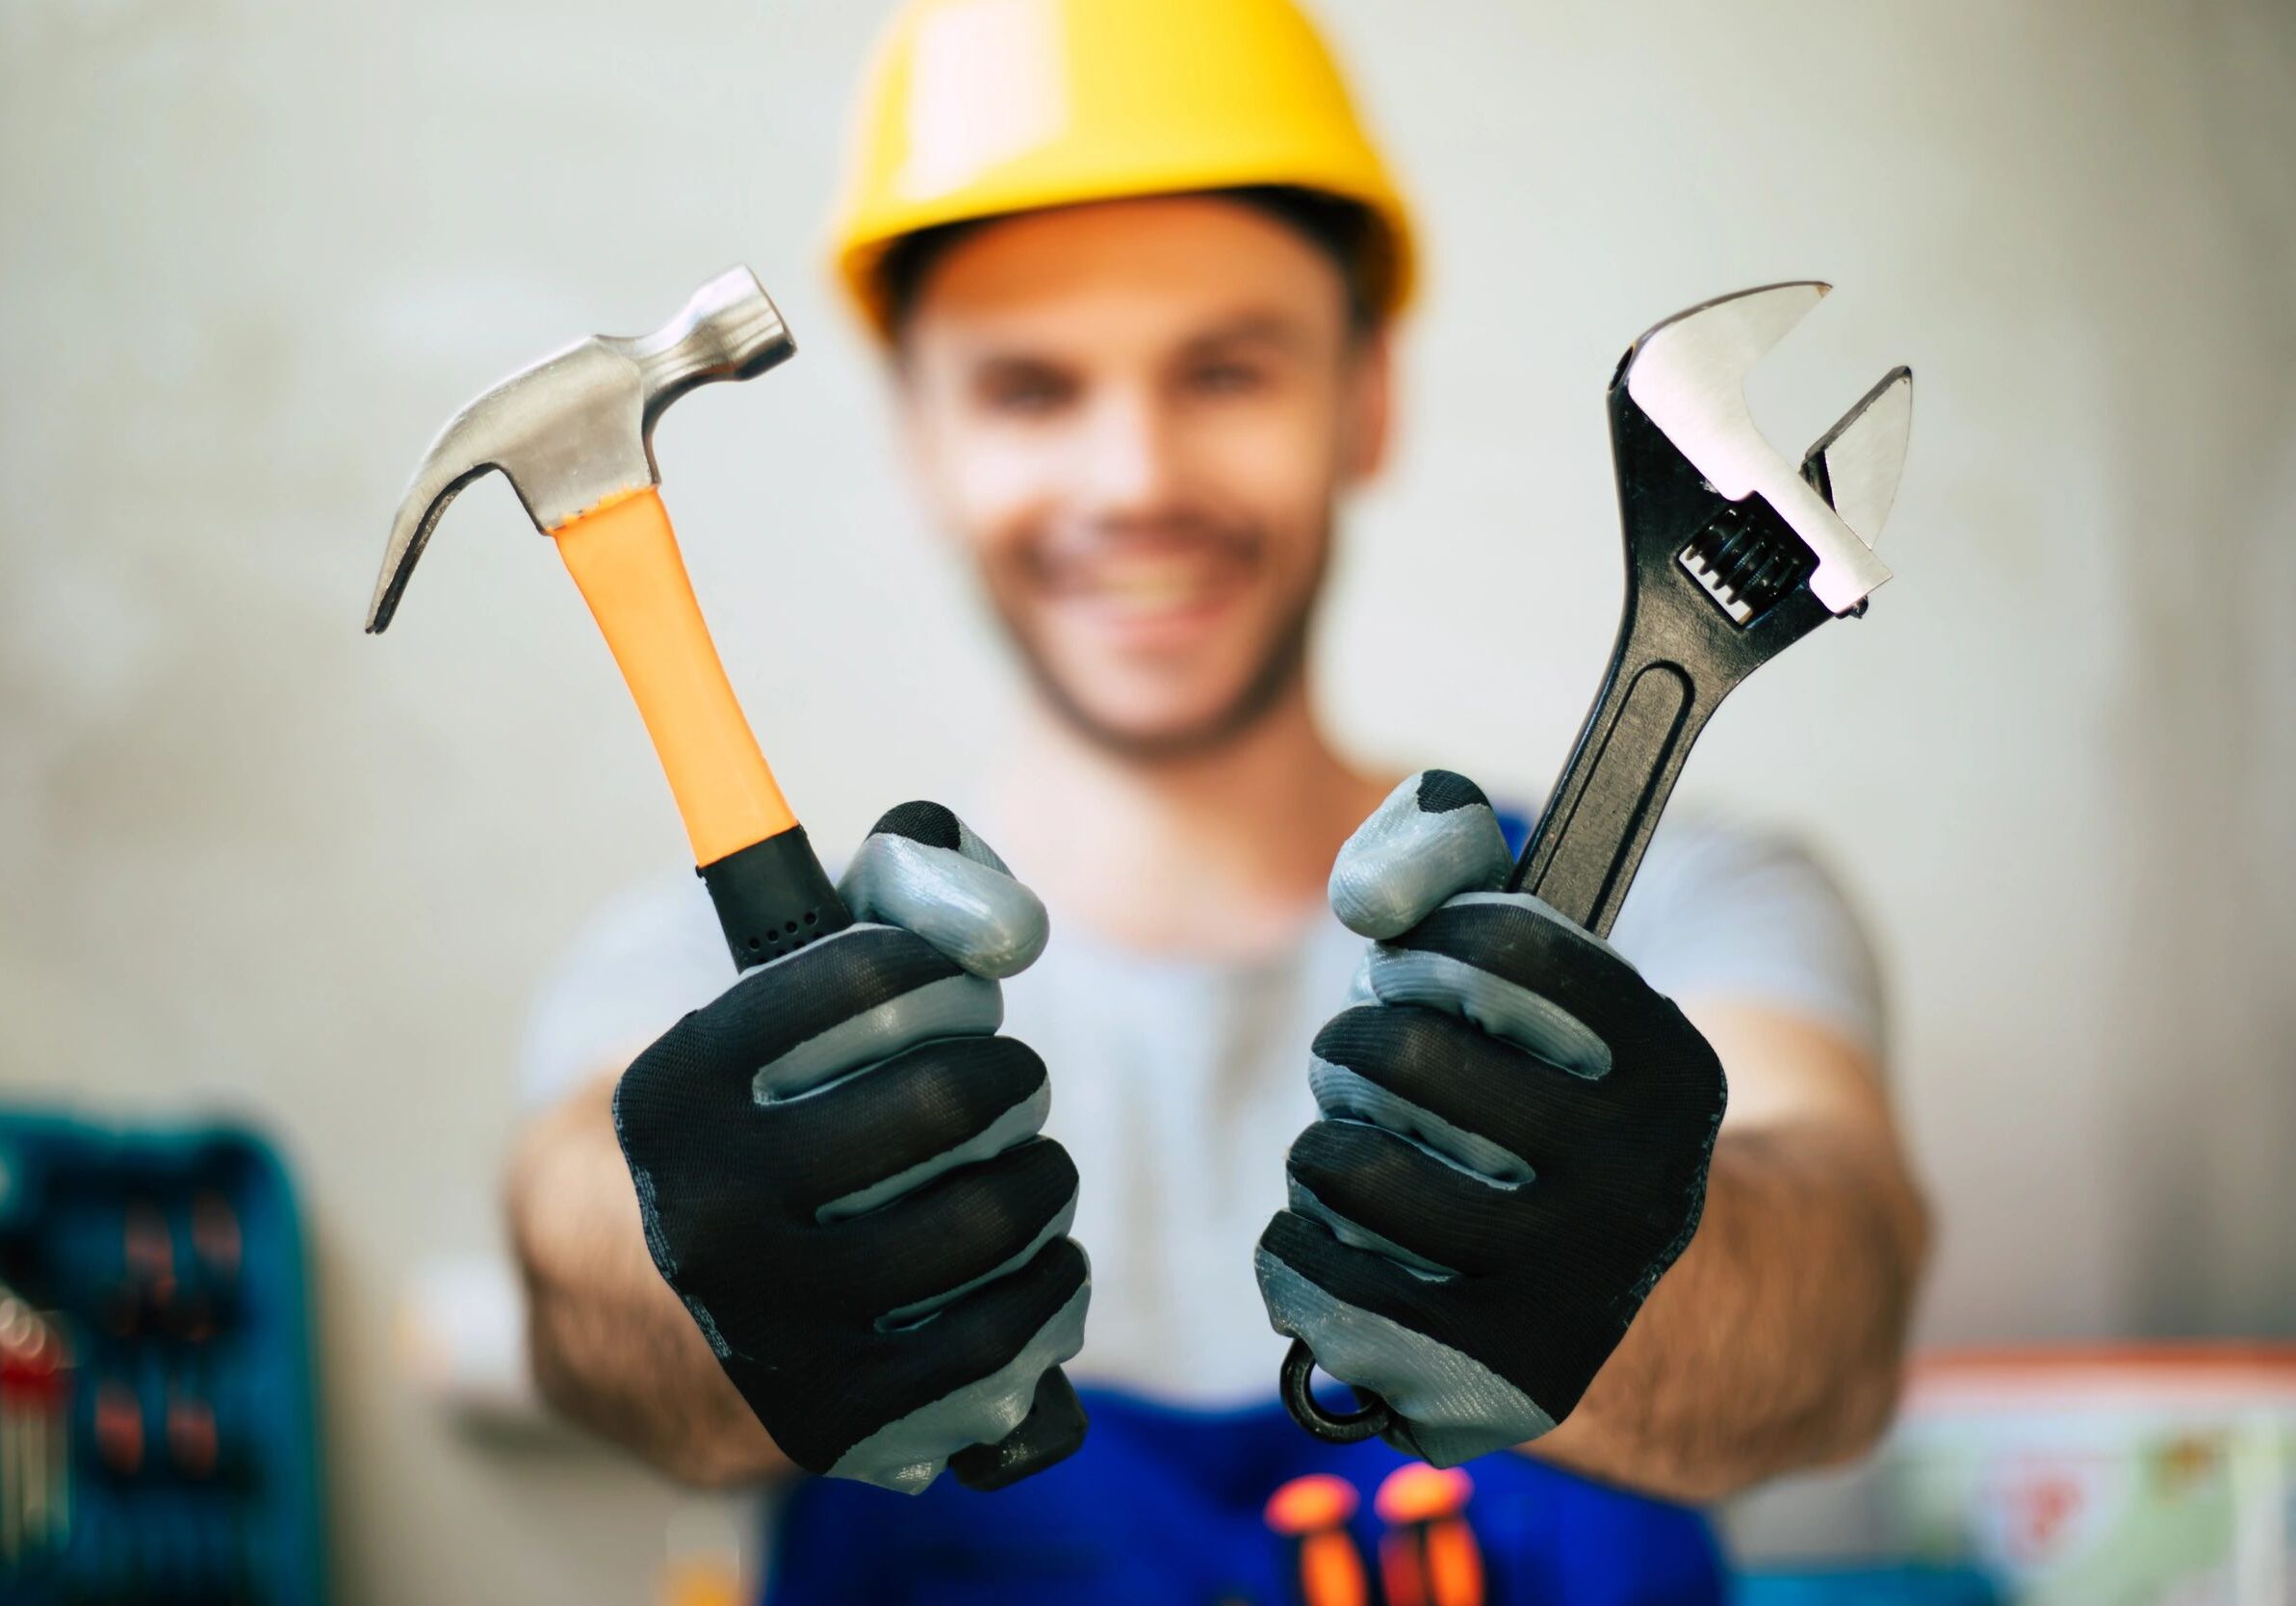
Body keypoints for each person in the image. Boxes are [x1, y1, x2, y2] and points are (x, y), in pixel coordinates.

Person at [507, 0, 1930, 1597]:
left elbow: (1837, 1309)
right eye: (1032, 388)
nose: (1134, 479)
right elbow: (578, 1275)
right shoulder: (726, 996)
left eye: (1225, 369)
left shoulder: (1684, 906)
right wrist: (698, 1256)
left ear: (1365, 394)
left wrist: (1642, 1258)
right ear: (917, 436)